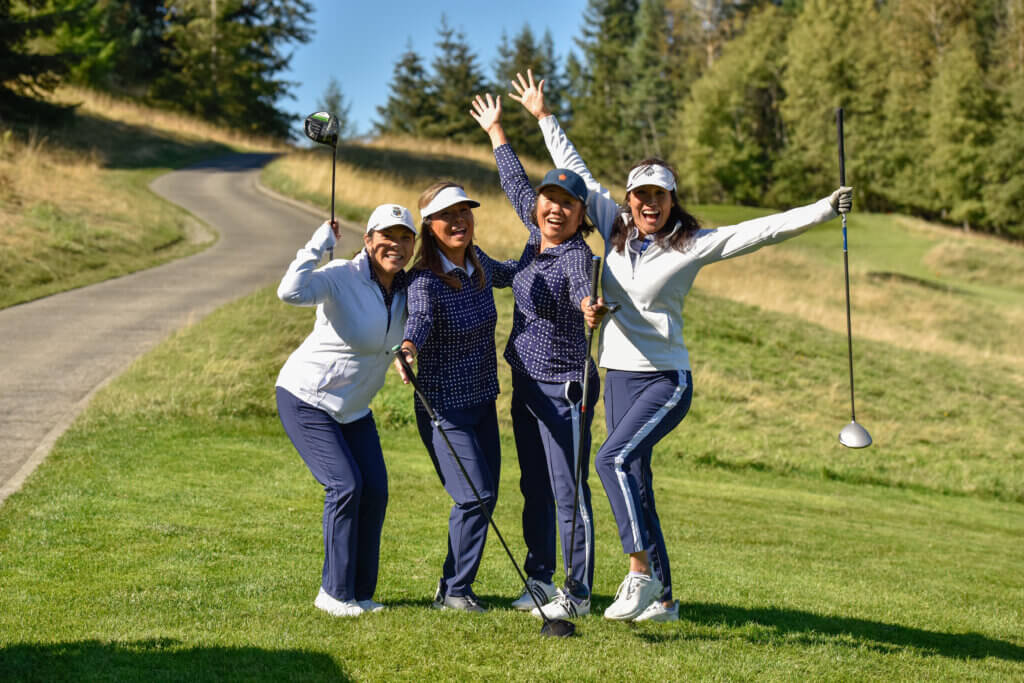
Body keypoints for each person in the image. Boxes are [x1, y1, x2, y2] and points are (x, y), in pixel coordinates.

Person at [511, 69, 854, 623]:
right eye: (642, 194)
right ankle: (665, 602)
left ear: (672, 201)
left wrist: (822, 209)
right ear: (629, 198)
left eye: (659, 196)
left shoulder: (692, 244)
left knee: (611, 458)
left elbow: (760, 230)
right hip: (617, 374)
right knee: (635, 478)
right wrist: (542, 116)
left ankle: (640, 576)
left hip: (664, 379)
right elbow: (575, 170)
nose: (650, 203)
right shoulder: (612, 222)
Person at [469, 93, 600, 620]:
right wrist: (497, 131)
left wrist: (589, 306)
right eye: (549, 200)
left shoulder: (576, 257)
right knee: (534, 485)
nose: (554, 208)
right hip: (525, 383)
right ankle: (541, 580)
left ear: (580, 215)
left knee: (569, 491)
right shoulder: (534, 236)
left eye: (566, 205)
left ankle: (580, 592)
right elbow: (516, 185)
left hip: (565, 389)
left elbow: (578, 289)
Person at [275, 205, 417, 617]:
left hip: (354, 409)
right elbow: (290, 292)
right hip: (307, 398)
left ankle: (360, 593)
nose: (396, 244)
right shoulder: (342, 276)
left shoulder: (407, 287)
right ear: (369, 240)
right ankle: (333, 594)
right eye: (386, 236)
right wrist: (319, 242)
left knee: (374, 491)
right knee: (345, 486)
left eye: (405, 237)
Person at [396, 181, 517, 613]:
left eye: (464, 211)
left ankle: (453, 587)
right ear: (429, 226)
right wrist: (409, 348)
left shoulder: (479, 261)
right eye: (448, 215)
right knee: (475, 495)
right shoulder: (425, 280)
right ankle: (454, 592)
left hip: (483, 401)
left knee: (485, 497)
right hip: (443, 408)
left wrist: (558, 250)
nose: (459, 220)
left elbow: (512, 272)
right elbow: (422, 318)